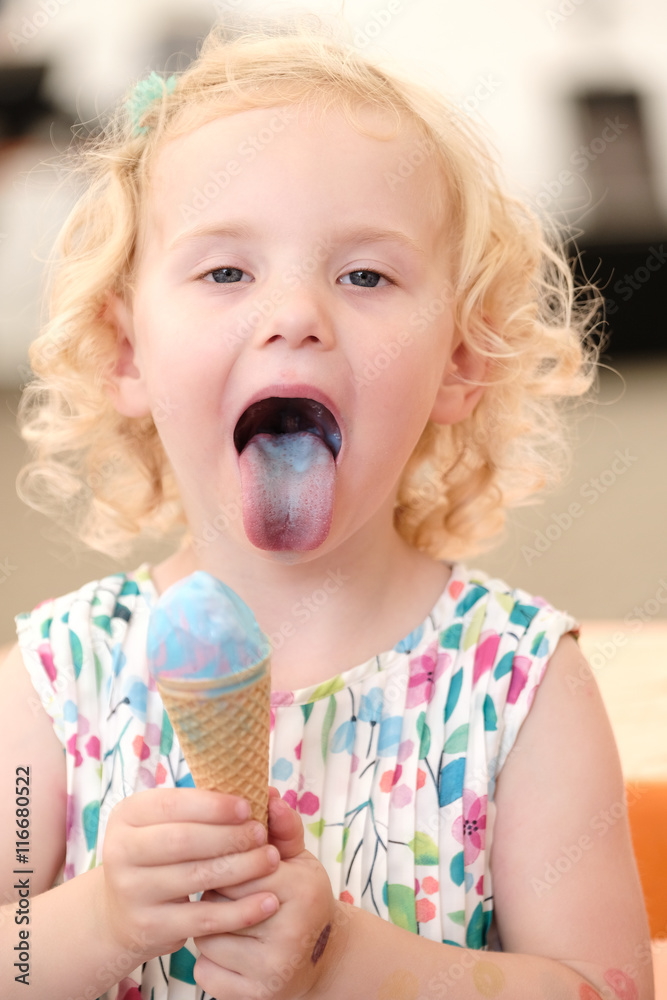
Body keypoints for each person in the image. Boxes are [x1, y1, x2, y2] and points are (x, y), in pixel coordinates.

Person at [1, 15, 653, 1000]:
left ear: (460, 361)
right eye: (225, 271)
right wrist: (98, 919)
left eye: (364, 274)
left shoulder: (517, 686)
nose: (296, 314)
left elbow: (609, 990)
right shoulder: (52, 685)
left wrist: (347, 961)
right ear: (127, 351)